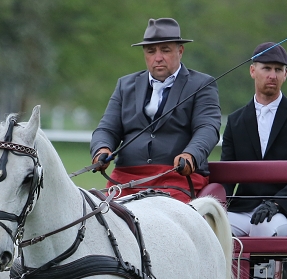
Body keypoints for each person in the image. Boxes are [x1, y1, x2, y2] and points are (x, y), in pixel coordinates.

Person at [90, 17, 221, 202]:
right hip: (125, 180)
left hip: (178, 179)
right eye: (151, 51)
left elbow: (207, 127)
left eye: (165, 50)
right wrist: (101, 149)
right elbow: (107, 128)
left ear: (180, 51)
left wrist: (191, 154)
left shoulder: (202, 84)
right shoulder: (125, 85)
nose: (158, 57)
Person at [221, 42, 287, 236]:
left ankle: (270, 268)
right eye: (266, 68)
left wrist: (276, 203)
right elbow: (227, 175)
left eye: (278, 69)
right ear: (252, 71)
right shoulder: (235, 121)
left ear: (286, 74)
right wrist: (215, 206)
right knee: (208, 227)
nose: (272, 75)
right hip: (244, 208)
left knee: (262, 227)